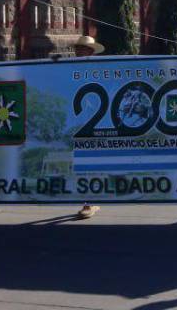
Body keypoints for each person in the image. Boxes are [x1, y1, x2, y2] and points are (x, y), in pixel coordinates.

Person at [71, 34, 106, 220]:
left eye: (82, 49)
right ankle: (89, 200)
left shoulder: (99, 72)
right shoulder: (70, 71)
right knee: (81, 163)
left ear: (91, 52)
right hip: (78, 124)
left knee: (91, 162)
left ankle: (90, 200)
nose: (78, 52)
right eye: (77, 49)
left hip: (95, 125)